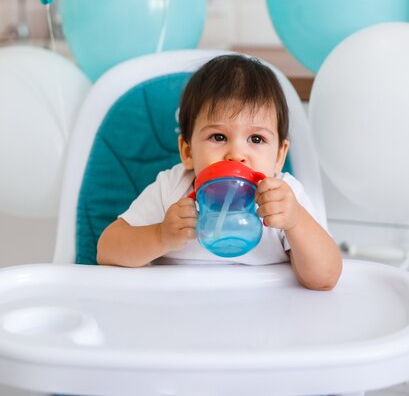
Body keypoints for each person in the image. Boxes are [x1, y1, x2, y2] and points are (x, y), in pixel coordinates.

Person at [97, 54, 342, 290]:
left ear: (279, 156)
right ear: (188, 151)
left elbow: (326, 278)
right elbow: (107, 250)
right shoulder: (173, 188)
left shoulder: (284, 198)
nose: (236, 154)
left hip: (264, 322)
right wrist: (161, 236)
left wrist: (295, 221)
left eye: (256, 138)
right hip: (179, 318)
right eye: (219, 136)